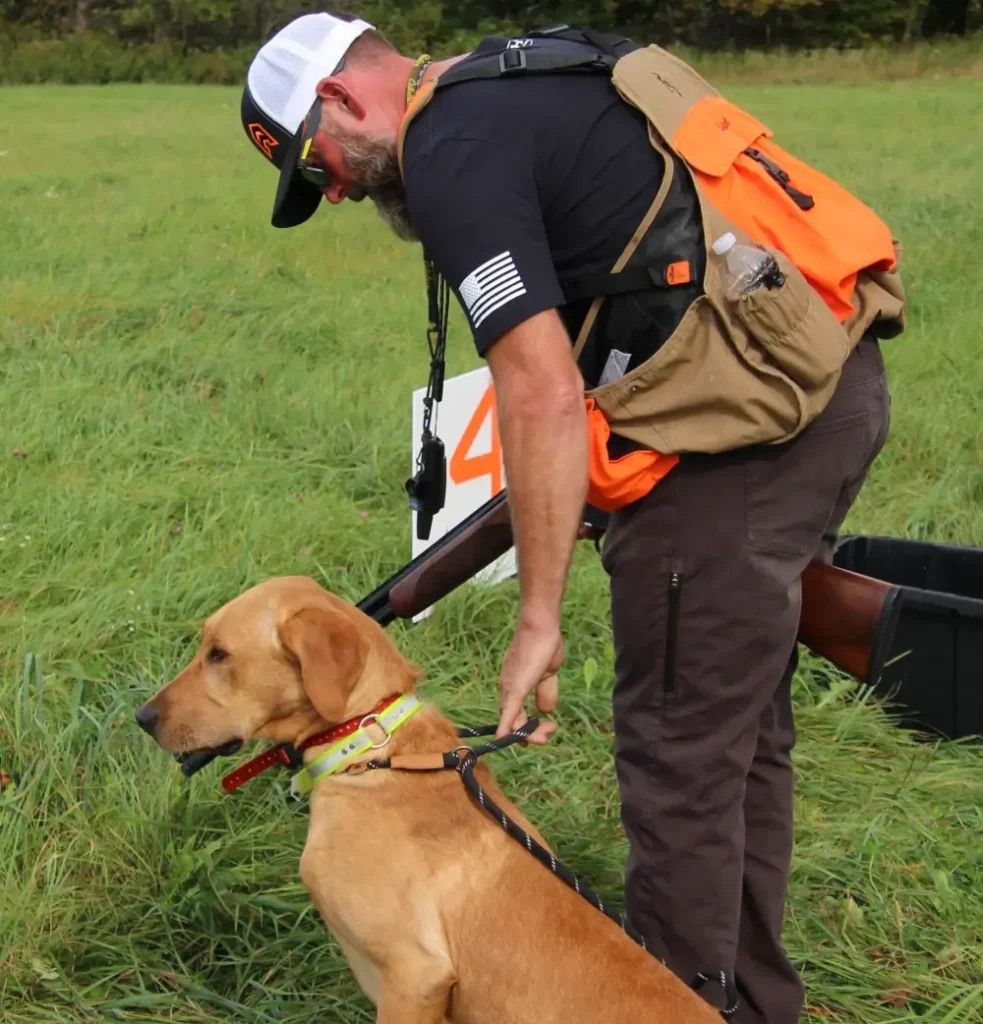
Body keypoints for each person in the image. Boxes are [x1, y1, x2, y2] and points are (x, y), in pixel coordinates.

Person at [239, 13, 905, 1022]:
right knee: (733, 735)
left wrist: (537, 619)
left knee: (678, 758)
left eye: (317, 165)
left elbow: (541, 392)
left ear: (340, 100)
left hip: (734, 444)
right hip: (814, 386)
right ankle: (750, 1005)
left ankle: (669, 1003)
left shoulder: (450, 151)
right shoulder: (519, 78)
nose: (332, 190)